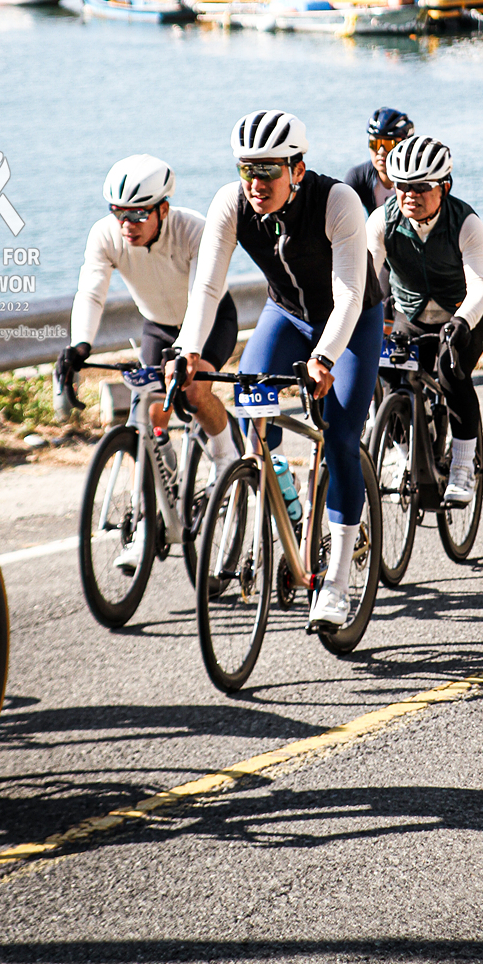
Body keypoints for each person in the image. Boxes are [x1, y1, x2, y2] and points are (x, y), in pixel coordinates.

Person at [171, 111, 384, 627]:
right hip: (286, 315)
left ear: (297, 169)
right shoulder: (231, 203)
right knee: (251, 409)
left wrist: (324, 358)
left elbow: (349, 295)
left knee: (340, 438)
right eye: (247, 169)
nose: (256, 183)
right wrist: (187, 351)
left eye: (268, 171)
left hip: (351, 322)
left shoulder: (337, 201)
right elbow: (207, 287)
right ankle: (285, 500)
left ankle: (336, 583)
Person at [57, 155, 239, 569]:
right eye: (119, 212)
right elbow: (91, 291)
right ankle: (147, 518)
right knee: (146, 415)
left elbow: (204, 295)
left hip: (209, 320)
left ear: (164, 208)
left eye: (139, 214)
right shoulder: (105, 235)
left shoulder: (194, 231)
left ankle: (225, 454)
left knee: (193, 391)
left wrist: (188, 351)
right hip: (157, 325)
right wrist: (79, 346)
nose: (127, 224)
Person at [367, 136, 483, 504]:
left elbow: (481, 287)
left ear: (444, 187)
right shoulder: (382, 221)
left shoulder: (465, 223)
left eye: (421, 187)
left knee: (451, 375)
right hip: (411, 314)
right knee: (388, 376)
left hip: (463, 315)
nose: (410, 195)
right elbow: (366, 280)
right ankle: (405, 456)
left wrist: (462, 322)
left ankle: (463, 467)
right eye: (401, 186)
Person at [345, 107, 414, 214]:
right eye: (375, 143)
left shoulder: (419, 179)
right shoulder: (359, 177)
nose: (381, 151)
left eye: (389, 144)